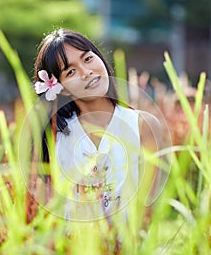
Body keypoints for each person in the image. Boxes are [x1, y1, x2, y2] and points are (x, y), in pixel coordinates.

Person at [33, 28, 161, 221]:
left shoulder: (143, 125)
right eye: (71, 71)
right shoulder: (54, 135)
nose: (87, 72)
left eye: (87, 59)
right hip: (71, 248)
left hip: (130, 248)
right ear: (62, 88)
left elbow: (148, 209)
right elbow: (46, 209)